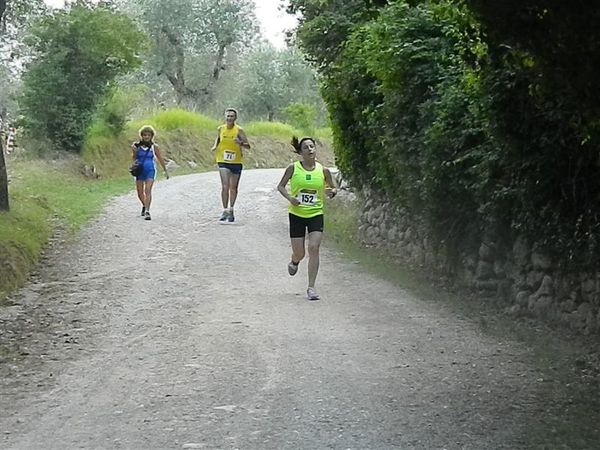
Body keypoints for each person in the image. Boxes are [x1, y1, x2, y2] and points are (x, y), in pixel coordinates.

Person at [277, 136, 337, 300]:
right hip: (297, 214)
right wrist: (290, 198)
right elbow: (280, 187)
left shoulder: (323, 170)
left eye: (312, 146)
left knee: (314, 248)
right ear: (300, 152)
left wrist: (331, 192)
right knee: (300, 252)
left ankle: (311, 287)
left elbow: (331, 188)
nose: (310, 149)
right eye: (306, 147)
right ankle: (295, 261)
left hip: (316, 213)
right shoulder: (293, 168)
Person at [211, 108, 250, 222]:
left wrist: (241, 143)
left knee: (233, 188)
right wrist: (215, 146)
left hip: (236, 161)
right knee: (225, 186)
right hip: (222, 160)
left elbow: (248, 146)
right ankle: (224, 210)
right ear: (225, 117)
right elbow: (218, 139)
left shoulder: (239, 130)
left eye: (232, 116)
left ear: (235, 118)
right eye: (228, 116)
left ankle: (231, 209)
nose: (229, 118)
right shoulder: (220, 129)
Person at [131, 125, 169, 221]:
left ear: (152, 136)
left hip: (150, 170)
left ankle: (147, 211)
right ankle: (144, 205)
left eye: (148, 135)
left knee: (147, 190)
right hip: (139, 171)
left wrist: (165, 170)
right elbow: (134, 158)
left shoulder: (154, 147)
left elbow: (160, 158)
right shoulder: (137, 146)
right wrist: (134, 151)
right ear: (141, 136)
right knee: (140, 193)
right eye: (144, 135)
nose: (146, 137)